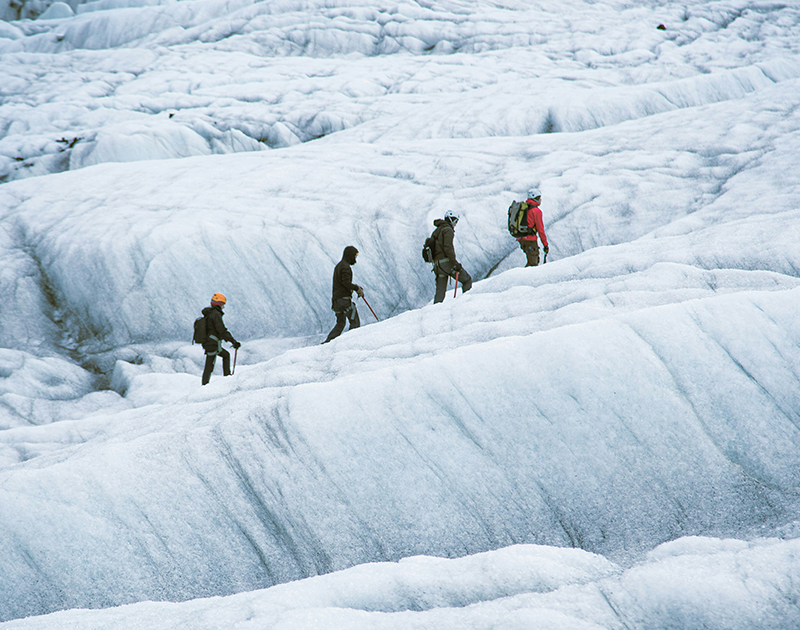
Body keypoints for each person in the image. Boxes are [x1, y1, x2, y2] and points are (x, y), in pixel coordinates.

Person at [323, 245, 364, 343]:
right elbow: (346, 283)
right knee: (355, 323)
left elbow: (343, 283)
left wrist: (355, 288)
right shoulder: (345, 267)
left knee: (340, 324)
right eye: (355, 256)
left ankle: (328, 343)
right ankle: (350, 343)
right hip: (344, 300)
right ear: (350, 255)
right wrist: (356, 288)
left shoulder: (339, 266)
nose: (355, 259)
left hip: (336, 301)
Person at [431, 210, 472, 303]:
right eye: (455, 221)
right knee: (467, 280)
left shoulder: (437, 230)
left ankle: (434, 313)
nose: (455, 224)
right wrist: (455, 264)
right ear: (451, 219)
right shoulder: (447, 230)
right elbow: (448, 248)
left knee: (440, 293)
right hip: (446, 263)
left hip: (437, 265)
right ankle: (466, 304)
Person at [201, 292, 240, 385]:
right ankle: (205, 385)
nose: (223, 307)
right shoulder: (216, 315)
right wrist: (233, 341)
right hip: (212, 343)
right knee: (209, 365)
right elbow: (221, 330)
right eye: (223, 304)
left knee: (223, 356)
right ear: (219, 304)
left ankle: (225, 378)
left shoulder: (210, 313)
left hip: (209, 342)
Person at [516, 187, 549, 267]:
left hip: (522, 239)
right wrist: (545, 244)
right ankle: (520, 278)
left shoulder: (524, 208)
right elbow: (540, 230)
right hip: (530, 240)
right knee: (533, 264)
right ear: (536, 198)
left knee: (531, 262)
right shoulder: (536, 211)